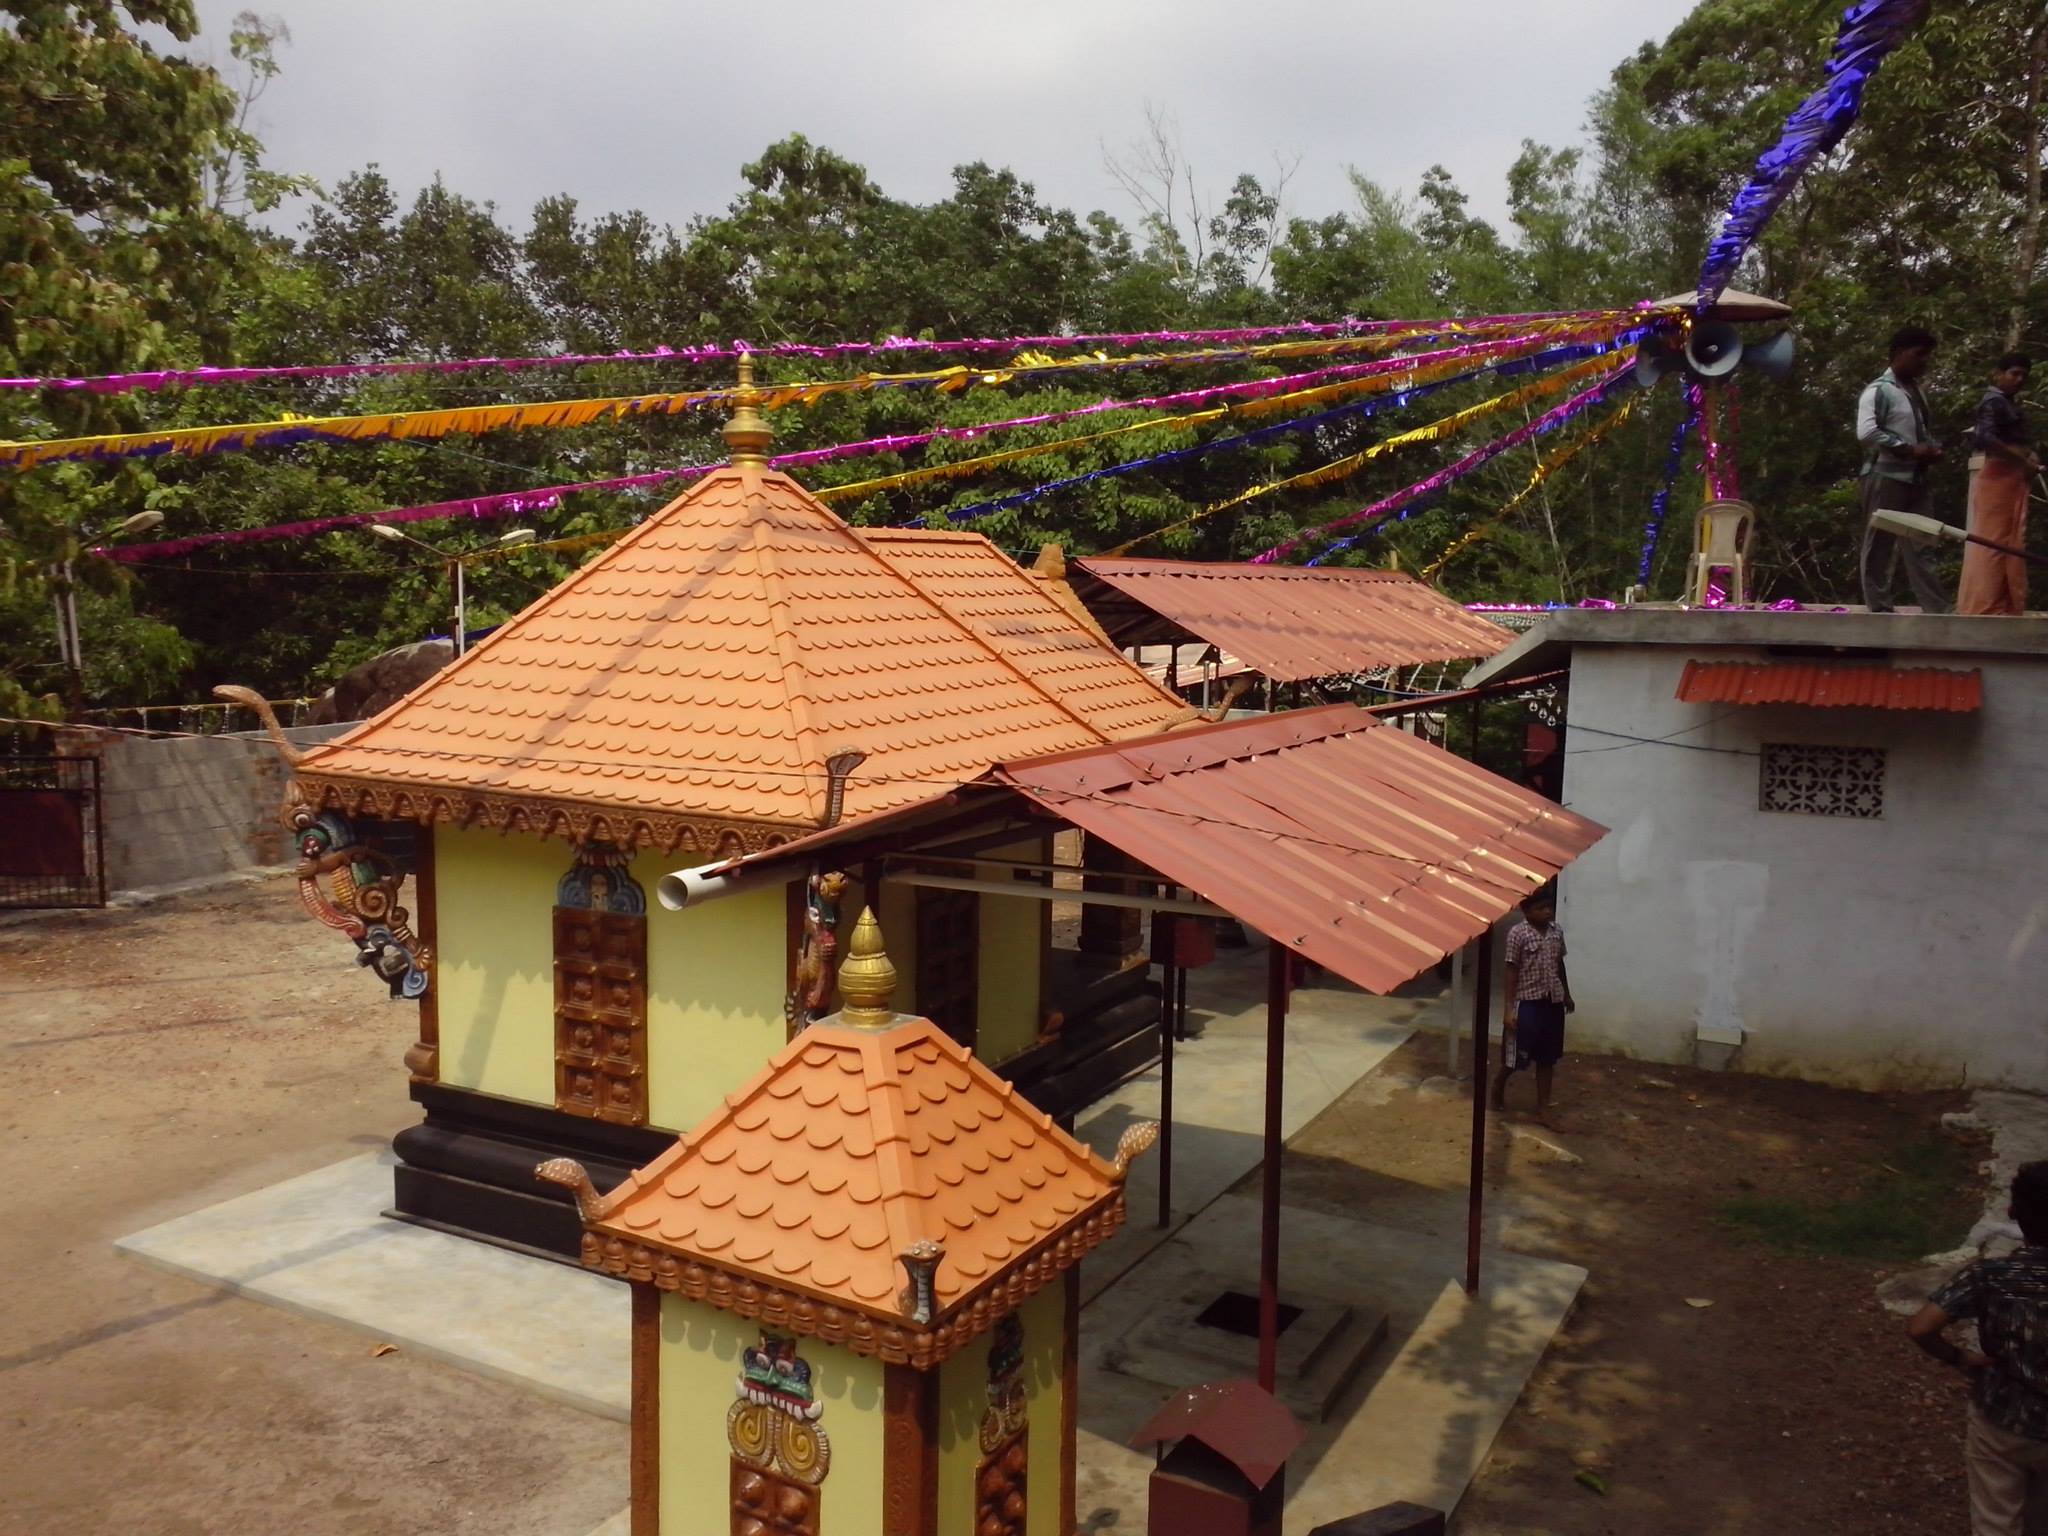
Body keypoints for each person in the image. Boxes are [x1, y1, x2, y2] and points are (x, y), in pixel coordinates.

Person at [1908, 1161, 2048, 1534]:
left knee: (1995, 1521)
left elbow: (1921, 1327)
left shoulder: (1989, 1276)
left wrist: (1959, 1357)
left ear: (2014, 1213)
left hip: (2001, 1419)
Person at [1858, 325, 1951, 613]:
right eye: (1919, 354)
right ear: (1899, 354)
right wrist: (1908, 449)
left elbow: (1918, 430)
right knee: (1879, 544)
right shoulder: (1879, 390)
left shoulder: (1916, 392)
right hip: (1885, 476)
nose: (1924, 361)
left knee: (1923, 540)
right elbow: (1867, 433)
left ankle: (1937, 609)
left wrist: (1930, 450)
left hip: (1917, 478)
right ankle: (1879, 607)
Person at [1958, 352, 2038, 616]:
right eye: (2014, 373)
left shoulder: (2009, 403)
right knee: (1992, 543)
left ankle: (2003, 604)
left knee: (2012, 541)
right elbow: (1985, 439)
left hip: (2013, 478)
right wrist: (2020, 460)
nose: (2019, 379)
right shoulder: (1992, 401)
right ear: (1998, 374)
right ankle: (1984, 606)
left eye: (2023, 375)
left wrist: (2029, 460)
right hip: (1998, 477)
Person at [1490, 888, 1572, 1124]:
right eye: (1540, 908)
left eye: (1549, 907)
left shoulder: (1556, 932)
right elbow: (1511, 970)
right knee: (1516, 1056)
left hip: (1552, 1003)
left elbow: (1559, 964)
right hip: (1527, 1003)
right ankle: (1498, 1084)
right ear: (1526, 911)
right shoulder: (1518, 934)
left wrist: (1566, 993)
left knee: (1548, 1058)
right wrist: (1508, 1008)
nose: (1547, 912)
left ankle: (1543, 1107)